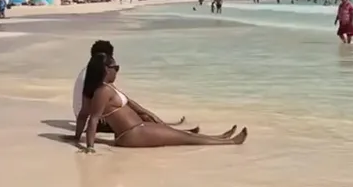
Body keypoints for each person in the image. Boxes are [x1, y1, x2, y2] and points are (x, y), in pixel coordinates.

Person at [77, 53, 246, 149]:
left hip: (139, 128)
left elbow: (133, 105)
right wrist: (89, 147)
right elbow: (92, 118)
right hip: (132, 134)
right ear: (106, 69)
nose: (117, 71)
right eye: (116, 68)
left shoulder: (109, 87)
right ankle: (230, 142)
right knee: (185, 139)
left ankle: (220, 137)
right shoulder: (102, 91)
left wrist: (151, 116)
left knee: (182, 134)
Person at [71, 39, 189, 133]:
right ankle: (174, 133)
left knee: (140, 115)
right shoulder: (97, 75)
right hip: (93, 121)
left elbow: (123, 99)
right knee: (142, 118)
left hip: (87, 118)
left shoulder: (90, 71)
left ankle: (168, 129)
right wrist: (148, 114)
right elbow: (122, 101)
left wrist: (147, 112)